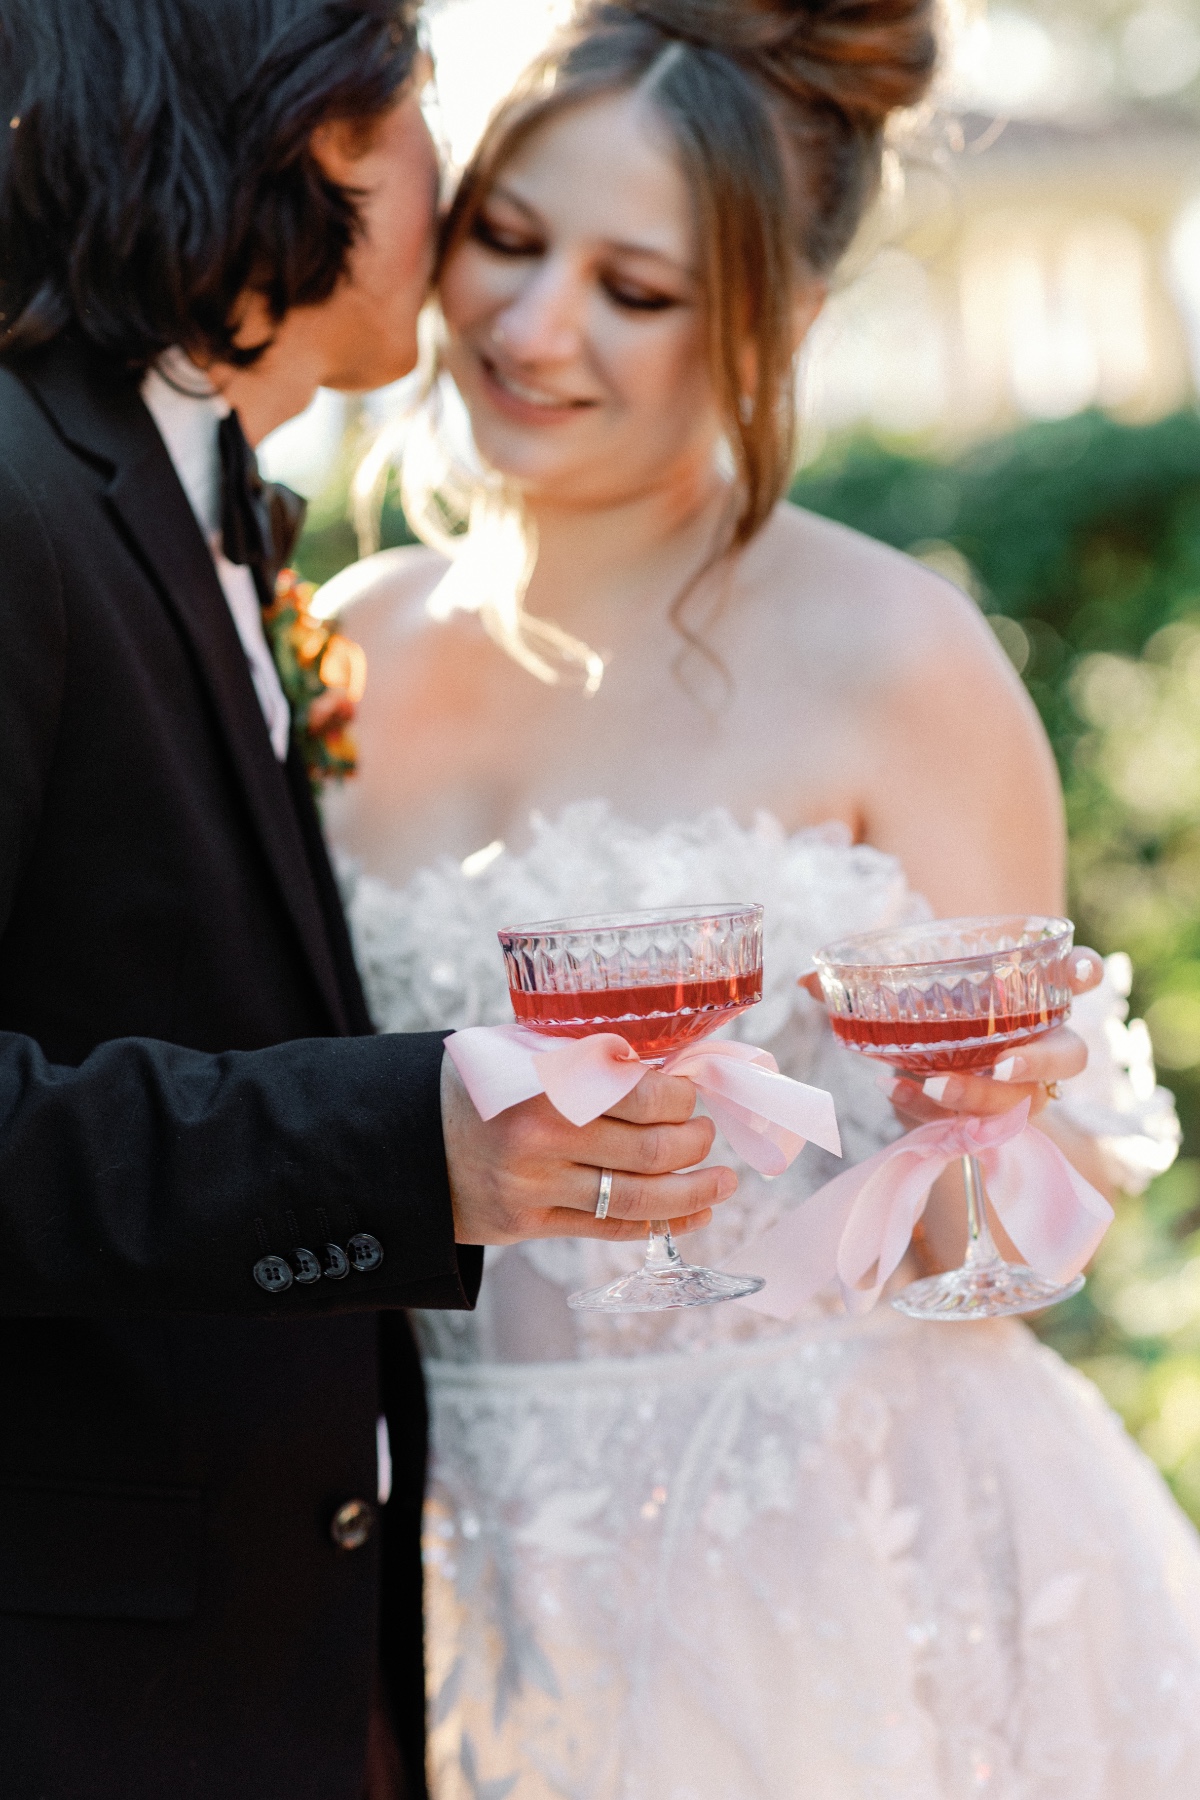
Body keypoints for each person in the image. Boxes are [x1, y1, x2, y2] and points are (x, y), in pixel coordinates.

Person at [322, 1, 1200, 1792]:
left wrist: (973, 1147)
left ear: (774, 322)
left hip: (854, 1585)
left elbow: (1015, 1262)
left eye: (635, 291)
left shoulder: (897, 658)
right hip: (442, 1579)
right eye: (507, 238)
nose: (530, 324)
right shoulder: (332, 651)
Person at [0, 3, 736, 1796]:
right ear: (313, 130)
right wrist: (407, 1146)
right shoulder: (17, 496)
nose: (446, 162)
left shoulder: (197, 488)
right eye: (420, 106)